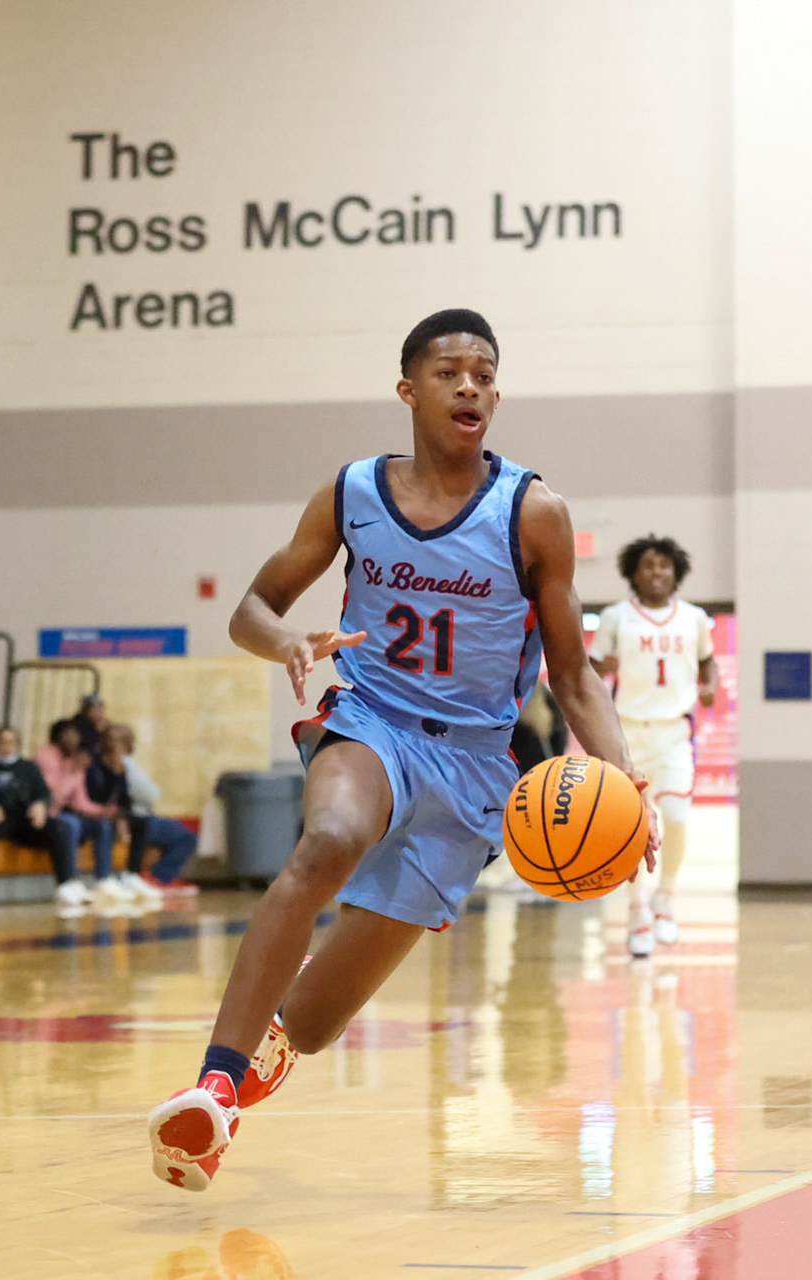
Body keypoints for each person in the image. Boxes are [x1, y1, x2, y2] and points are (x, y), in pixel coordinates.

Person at [147, 310, 653, 1190]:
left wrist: (628, 784)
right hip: (372, 716)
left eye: (485, 375)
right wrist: (288, 643)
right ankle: (211, 1085)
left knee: (311, 1024)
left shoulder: (535, 512)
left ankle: (251, 1074)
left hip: (474, 763)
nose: (471, 387)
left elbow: (573, 677)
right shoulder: (351, 493)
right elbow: (251, 608)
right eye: (451, 372)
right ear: (409, 389)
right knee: (331, 838)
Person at [589, 535, 718, 959]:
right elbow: (587, 667)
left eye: (664, 565)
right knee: (631, 826)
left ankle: (665, 896)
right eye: (648, 565)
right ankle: (636, 909)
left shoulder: (694, 618)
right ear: (633, 572)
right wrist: (599, 666)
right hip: (625, 733)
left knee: (677, 817)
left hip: (674, 733)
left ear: (676, 571)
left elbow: (706, 659)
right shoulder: (615, 617)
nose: (657, 572)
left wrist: (710, 684)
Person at [0, 726, 90, 908]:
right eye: (2, 742)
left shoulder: (28, 768)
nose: (7, 747)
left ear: (18, 745)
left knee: (61, 827)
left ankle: (67, 883)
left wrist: (40, 805)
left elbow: (43, 793)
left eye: (11, 742)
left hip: (23, 822)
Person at [34, 717, 135, 905]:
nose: (72, 739)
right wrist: (72, 772)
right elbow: (51, 796)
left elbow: (81, 803)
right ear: (58, 736)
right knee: (70, 823)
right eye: (68, 735)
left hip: (62, 815)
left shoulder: (76, 762)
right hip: (43, 816)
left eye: (75, 736)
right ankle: (69, 882)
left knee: (102, 825)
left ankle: (103, 880)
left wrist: (106, 812)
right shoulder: (46, 756)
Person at [114, 724, 199, 895]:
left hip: (133, 817)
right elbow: (150, 794)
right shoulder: (124, 763)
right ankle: (160, 878)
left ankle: (159, 876)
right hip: (138, 818)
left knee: (176, 830)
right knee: (186, 837)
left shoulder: (115, 762)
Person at [86, 729, 163, 907]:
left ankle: (131, 875)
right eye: (113, 742)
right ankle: (103, 879)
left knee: (140, 823)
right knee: (104, 826)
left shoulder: (122, 767)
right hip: (94, 812)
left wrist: (122, 817)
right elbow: (94, 796)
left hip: (114, 813)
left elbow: (125, 799)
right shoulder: (94, 766)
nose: (117, 747)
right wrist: (112, 813)